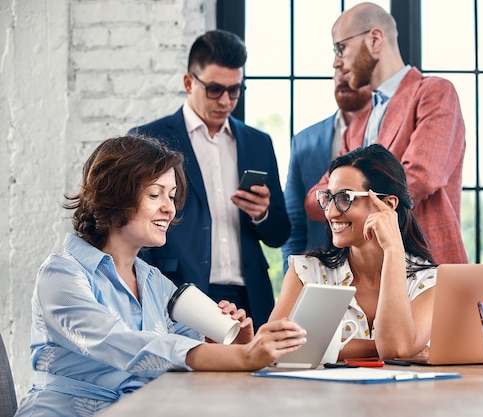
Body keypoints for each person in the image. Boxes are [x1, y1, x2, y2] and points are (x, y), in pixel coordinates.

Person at [14, 136, 306, 417]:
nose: (170, 207)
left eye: (172, 195)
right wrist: (241, 357)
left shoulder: (155, 282)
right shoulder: (62, 274)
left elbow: (190, 353)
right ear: (114, 196)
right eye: (155, 194)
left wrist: (234, 343)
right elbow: (119, 343)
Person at [129, 30, 290, 328]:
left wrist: (262, 214)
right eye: (215, 89)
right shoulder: (148, 140)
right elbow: (135, 224)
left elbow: (279, 234)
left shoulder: (259, 142)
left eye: (234, 90)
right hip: (179, 289)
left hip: (250, 294)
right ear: (189, 83)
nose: (226, 101)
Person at [304, 2, 468, 265]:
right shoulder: (359, 121)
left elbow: (420, 177)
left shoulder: (434, 93)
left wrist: (342, 199)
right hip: (367, 274)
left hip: (425, 265)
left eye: (340, 48)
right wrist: (345, 198)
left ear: (375, 39)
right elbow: (315, 201)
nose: (337, 62)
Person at [270, 144, 436, 360]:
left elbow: (395, 348)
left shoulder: (429, 281)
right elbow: (273, 346)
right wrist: (384, 347)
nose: (330, 212)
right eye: (328, 198)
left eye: (344, 198)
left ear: (388, 204)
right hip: (322, 394)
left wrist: (393, 248)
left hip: (400, 395)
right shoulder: (306, 273)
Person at [281, 68, 371, 273]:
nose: (343, 76)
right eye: (338, 69)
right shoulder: (304, 141)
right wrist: (293, 277)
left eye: (350, 69)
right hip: (321, 271)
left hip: (376, 270)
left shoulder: (386, 133)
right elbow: (295, 223)